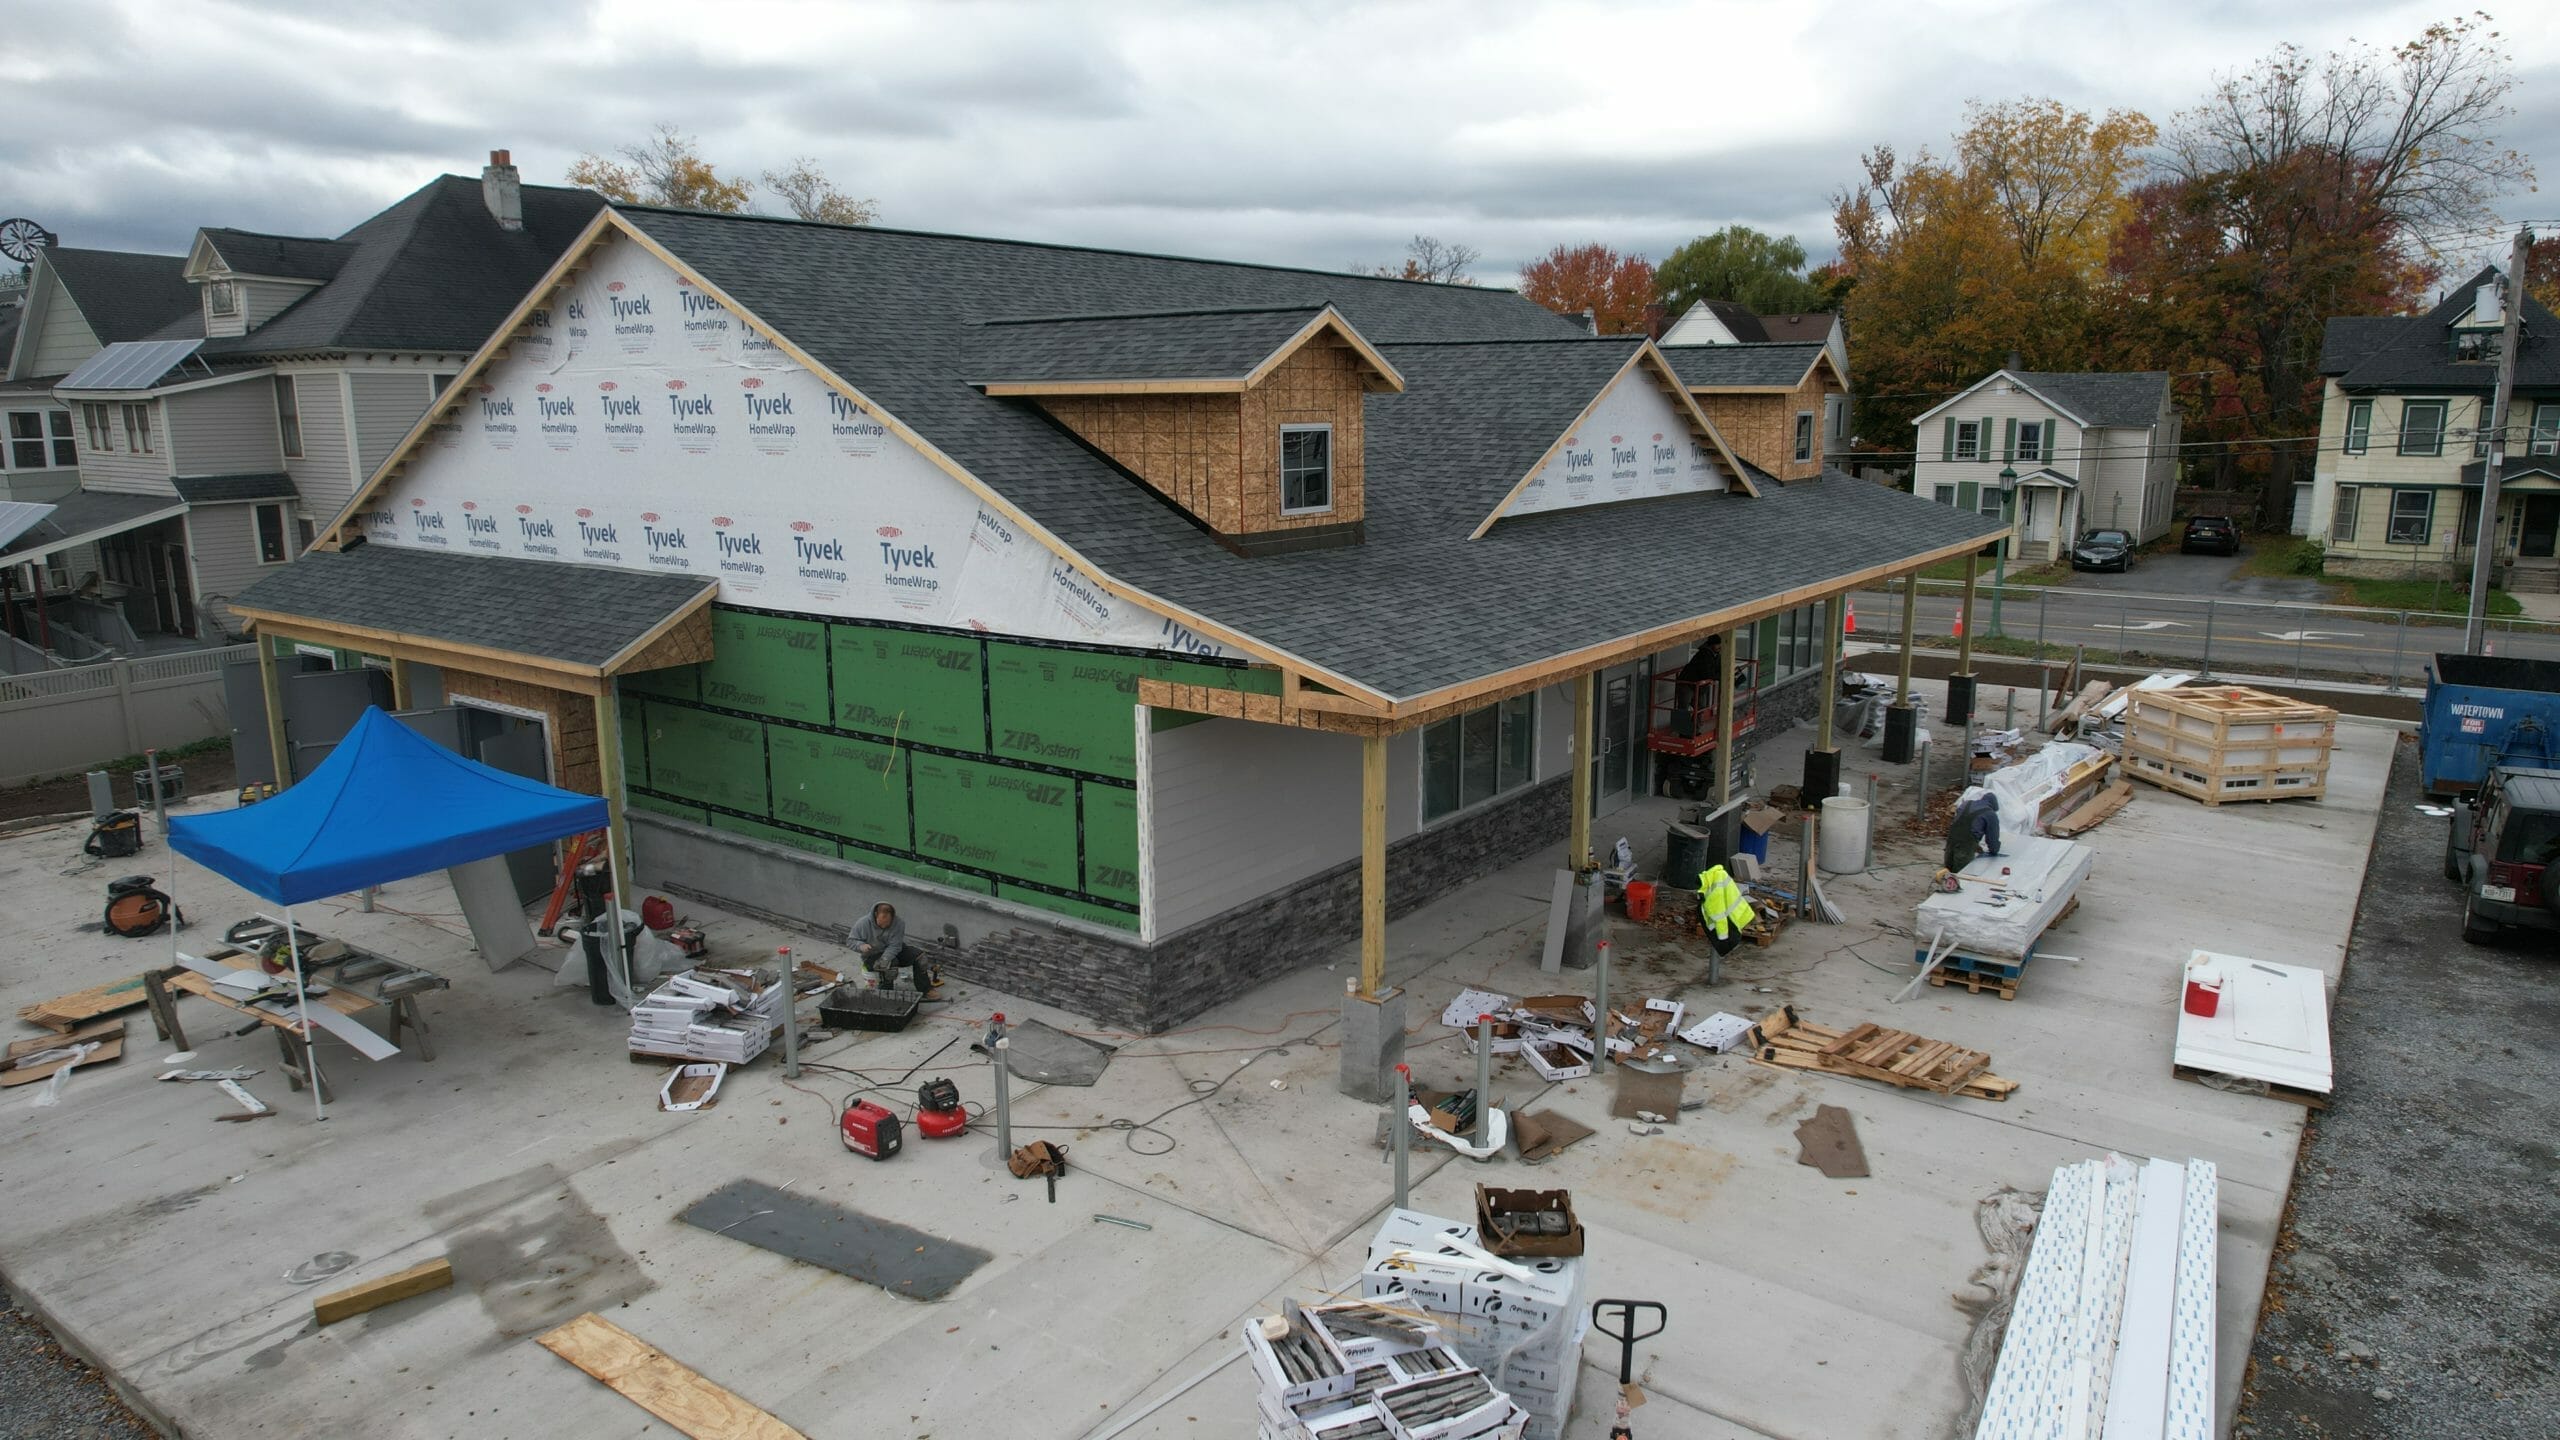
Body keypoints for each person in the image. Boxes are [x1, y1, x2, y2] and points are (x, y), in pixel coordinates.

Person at [847, 902, 933, 994]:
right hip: (872, 954)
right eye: (881, 923)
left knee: (920, 958)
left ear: (892, 917)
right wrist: (860, 945)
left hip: (893, 950)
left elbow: (895, 946)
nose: (884, 926)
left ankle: (926, 990)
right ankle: (885, 993)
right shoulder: (863, 923)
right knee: (889, 966)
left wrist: (885, 958)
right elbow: (850, 941)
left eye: (887, 924)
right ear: (875, 914)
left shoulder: (899, 923)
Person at [1945, 790, 2002, 874]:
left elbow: (1963, 825)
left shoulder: (1966, 804)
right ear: (1993, 806)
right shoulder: (1990, 814)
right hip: (1965, 845)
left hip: (1951, 839)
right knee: (1962, 873)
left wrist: (1976, 846)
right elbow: (1992, 839)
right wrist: (1994, 850)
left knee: (1948, 871)